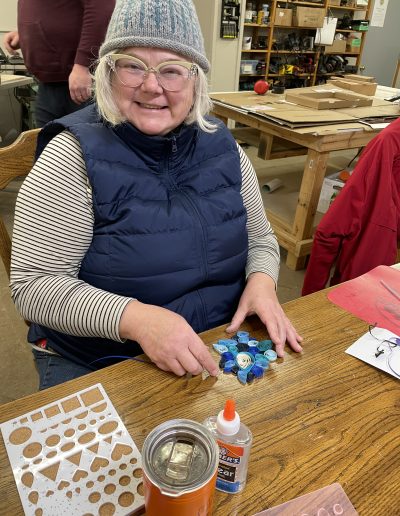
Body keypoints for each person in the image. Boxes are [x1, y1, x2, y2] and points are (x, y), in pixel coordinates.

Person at [10, 0, 303, 390]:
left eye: (172, 70)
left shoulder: (223, 146)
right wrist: (137, 320)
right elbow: (35, 285)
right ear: (108, 74)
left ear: (196, 80)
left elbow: (260, 239)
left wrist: (263, 283)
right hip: (101, 359)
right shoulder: (71, 156)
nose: (152, 85)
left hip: (215, 345)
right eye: (132, 65)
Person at [3, 0, 115, 127]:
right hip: (48, 84)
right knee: (47, 144)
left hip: (80, 82)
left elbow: (101, 10)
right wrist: (24, 33)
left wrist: (84, 64)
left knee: (82, 144)